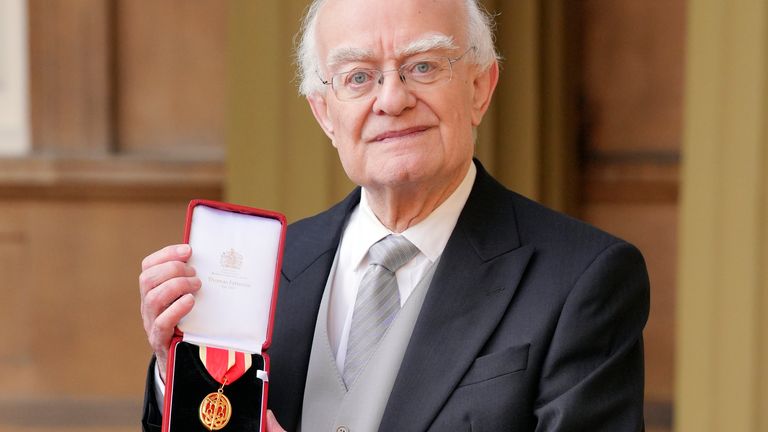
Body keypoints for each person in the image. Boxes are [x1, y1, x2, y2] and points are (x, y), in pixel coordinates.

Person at [139, 0, 650, 430]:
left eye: (423, 66)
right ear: (324, 113)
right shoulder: (270, 267)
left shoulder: (584, 279)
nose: (392, 99)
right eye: (358, 77)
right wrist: (181, 374)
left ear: (480, 87)